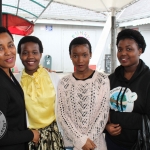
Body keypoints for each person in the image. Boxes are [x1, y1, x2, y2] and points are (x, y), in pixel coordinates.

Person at [57, 37, 110, 150]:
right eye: (75, 55)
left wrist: (87, 141)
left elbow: (103, 113)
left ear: (90, 54)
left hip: (95, 144)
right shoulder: (64, 83)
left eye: (84, 55)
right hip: (71, 144)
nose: (80, 60)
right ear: (70, 56)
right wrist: (80, 140)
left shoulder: (102, 80)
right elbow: (62, 114)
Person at [15, 36, 65, 150]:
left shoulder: (54, 78)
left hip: (53, 134)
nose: (30, 56)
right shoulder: (15, 81)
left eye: (34, 52)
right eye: (25, 53)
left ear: (41, 54)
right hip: (28, 136)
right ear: (19, 55)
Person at [105, 29, 150, 150]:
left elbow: (146, 119)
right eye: (120, 49)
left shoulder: (147, 80)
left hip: (140, 144)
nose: (123, 53)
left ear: (140, 51)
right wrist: (106, 127)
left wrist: (114, 117)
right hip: (112, 143)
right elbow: (100, 112)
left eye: (129, 49)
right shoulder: (109, 80)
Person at [0, 27, 39, 150]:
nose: (8, 52)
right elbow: (1, 136)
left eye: (10, 45)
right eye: (0, 48)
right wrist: (30, 134)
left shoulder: (8, 74)